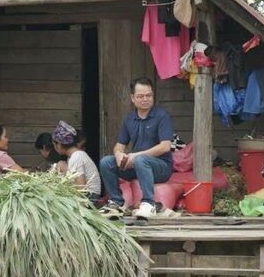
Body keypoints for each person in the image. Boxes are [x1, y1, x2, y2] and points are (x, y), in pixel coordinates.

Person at [99, 77, 175, 214]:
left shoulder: (162, 116)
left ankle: (149, 203)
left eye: (148, 95)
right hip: (138, 165)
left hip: (161, 167)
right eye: (140, 96)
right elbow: (119, 145)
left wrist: (135, 156)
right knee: (106, 162)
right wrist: (119, 155)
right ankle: (116, 202)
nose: (145, 99)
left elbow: (165, 146)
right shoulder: (129, 119)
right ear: (132, 98)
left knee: (141, 160)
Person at [49, 121, 101, 201]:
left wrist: (65, 170)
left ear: (59, 145)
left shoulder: (77, 156)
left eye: (54, 145)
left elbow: (81, 188)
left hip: (90, 196)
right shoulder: (74, 156)